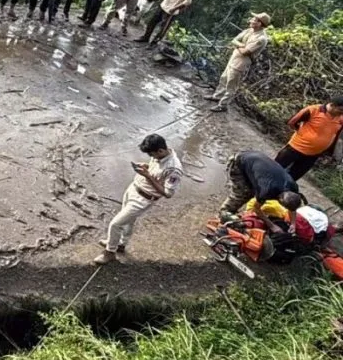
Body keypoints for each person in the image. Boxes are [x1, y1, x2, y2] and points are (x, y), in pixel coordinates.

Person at [94, 134, 183, 264]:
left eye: (152, 155)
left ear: (161, 150)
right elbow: (157, 171)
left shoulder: (174, 168)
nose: (152, 157)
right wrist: (147, 167)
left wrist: (148, 176)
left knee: (115, 224)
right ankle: (120, 244)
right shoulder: (160, 155)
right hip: (133, 189)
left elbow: (168, 193)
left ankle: (109, 252)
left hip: (143, 198)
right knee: (128, 222)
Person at [205, 13, 271, 112]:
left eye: (254, 19)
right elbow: (234, 40)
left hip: (241, 63)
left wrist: (238, 46)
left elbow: (245, 52)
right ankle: (217, 96)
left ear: (260, 23)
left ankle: (223, 105)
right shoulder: (249, 31)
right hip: (234, 58)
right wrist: (242, 45)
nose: (251, 21)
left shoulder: (261, 39)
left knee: (231, 85)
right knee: (224, 78)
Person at [219, 150, 300, 220]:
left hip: (255, 159)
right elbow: (256, 209)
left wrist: (293, 224)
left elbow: (292, 208)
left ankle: (231, 211)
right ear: (280, 200)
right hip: (238, 163)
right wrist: (272, 226)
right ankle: (224, 212)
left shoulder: (293, 187)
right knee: (243, 194)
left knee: (252, 190)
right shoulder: (267, 191)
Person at [274, 97, 343, 180]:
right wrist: (303, 134)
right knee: (274, 170)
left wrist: (329, 151)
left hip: (313, 155)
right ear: (333, 105)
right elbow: (292, 122)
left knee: (291, 179)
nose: (341, 113)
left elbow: (335, 135)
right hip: (295, 149)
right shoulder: (313, 110)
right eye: (340, 110)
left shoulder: (340, 119)